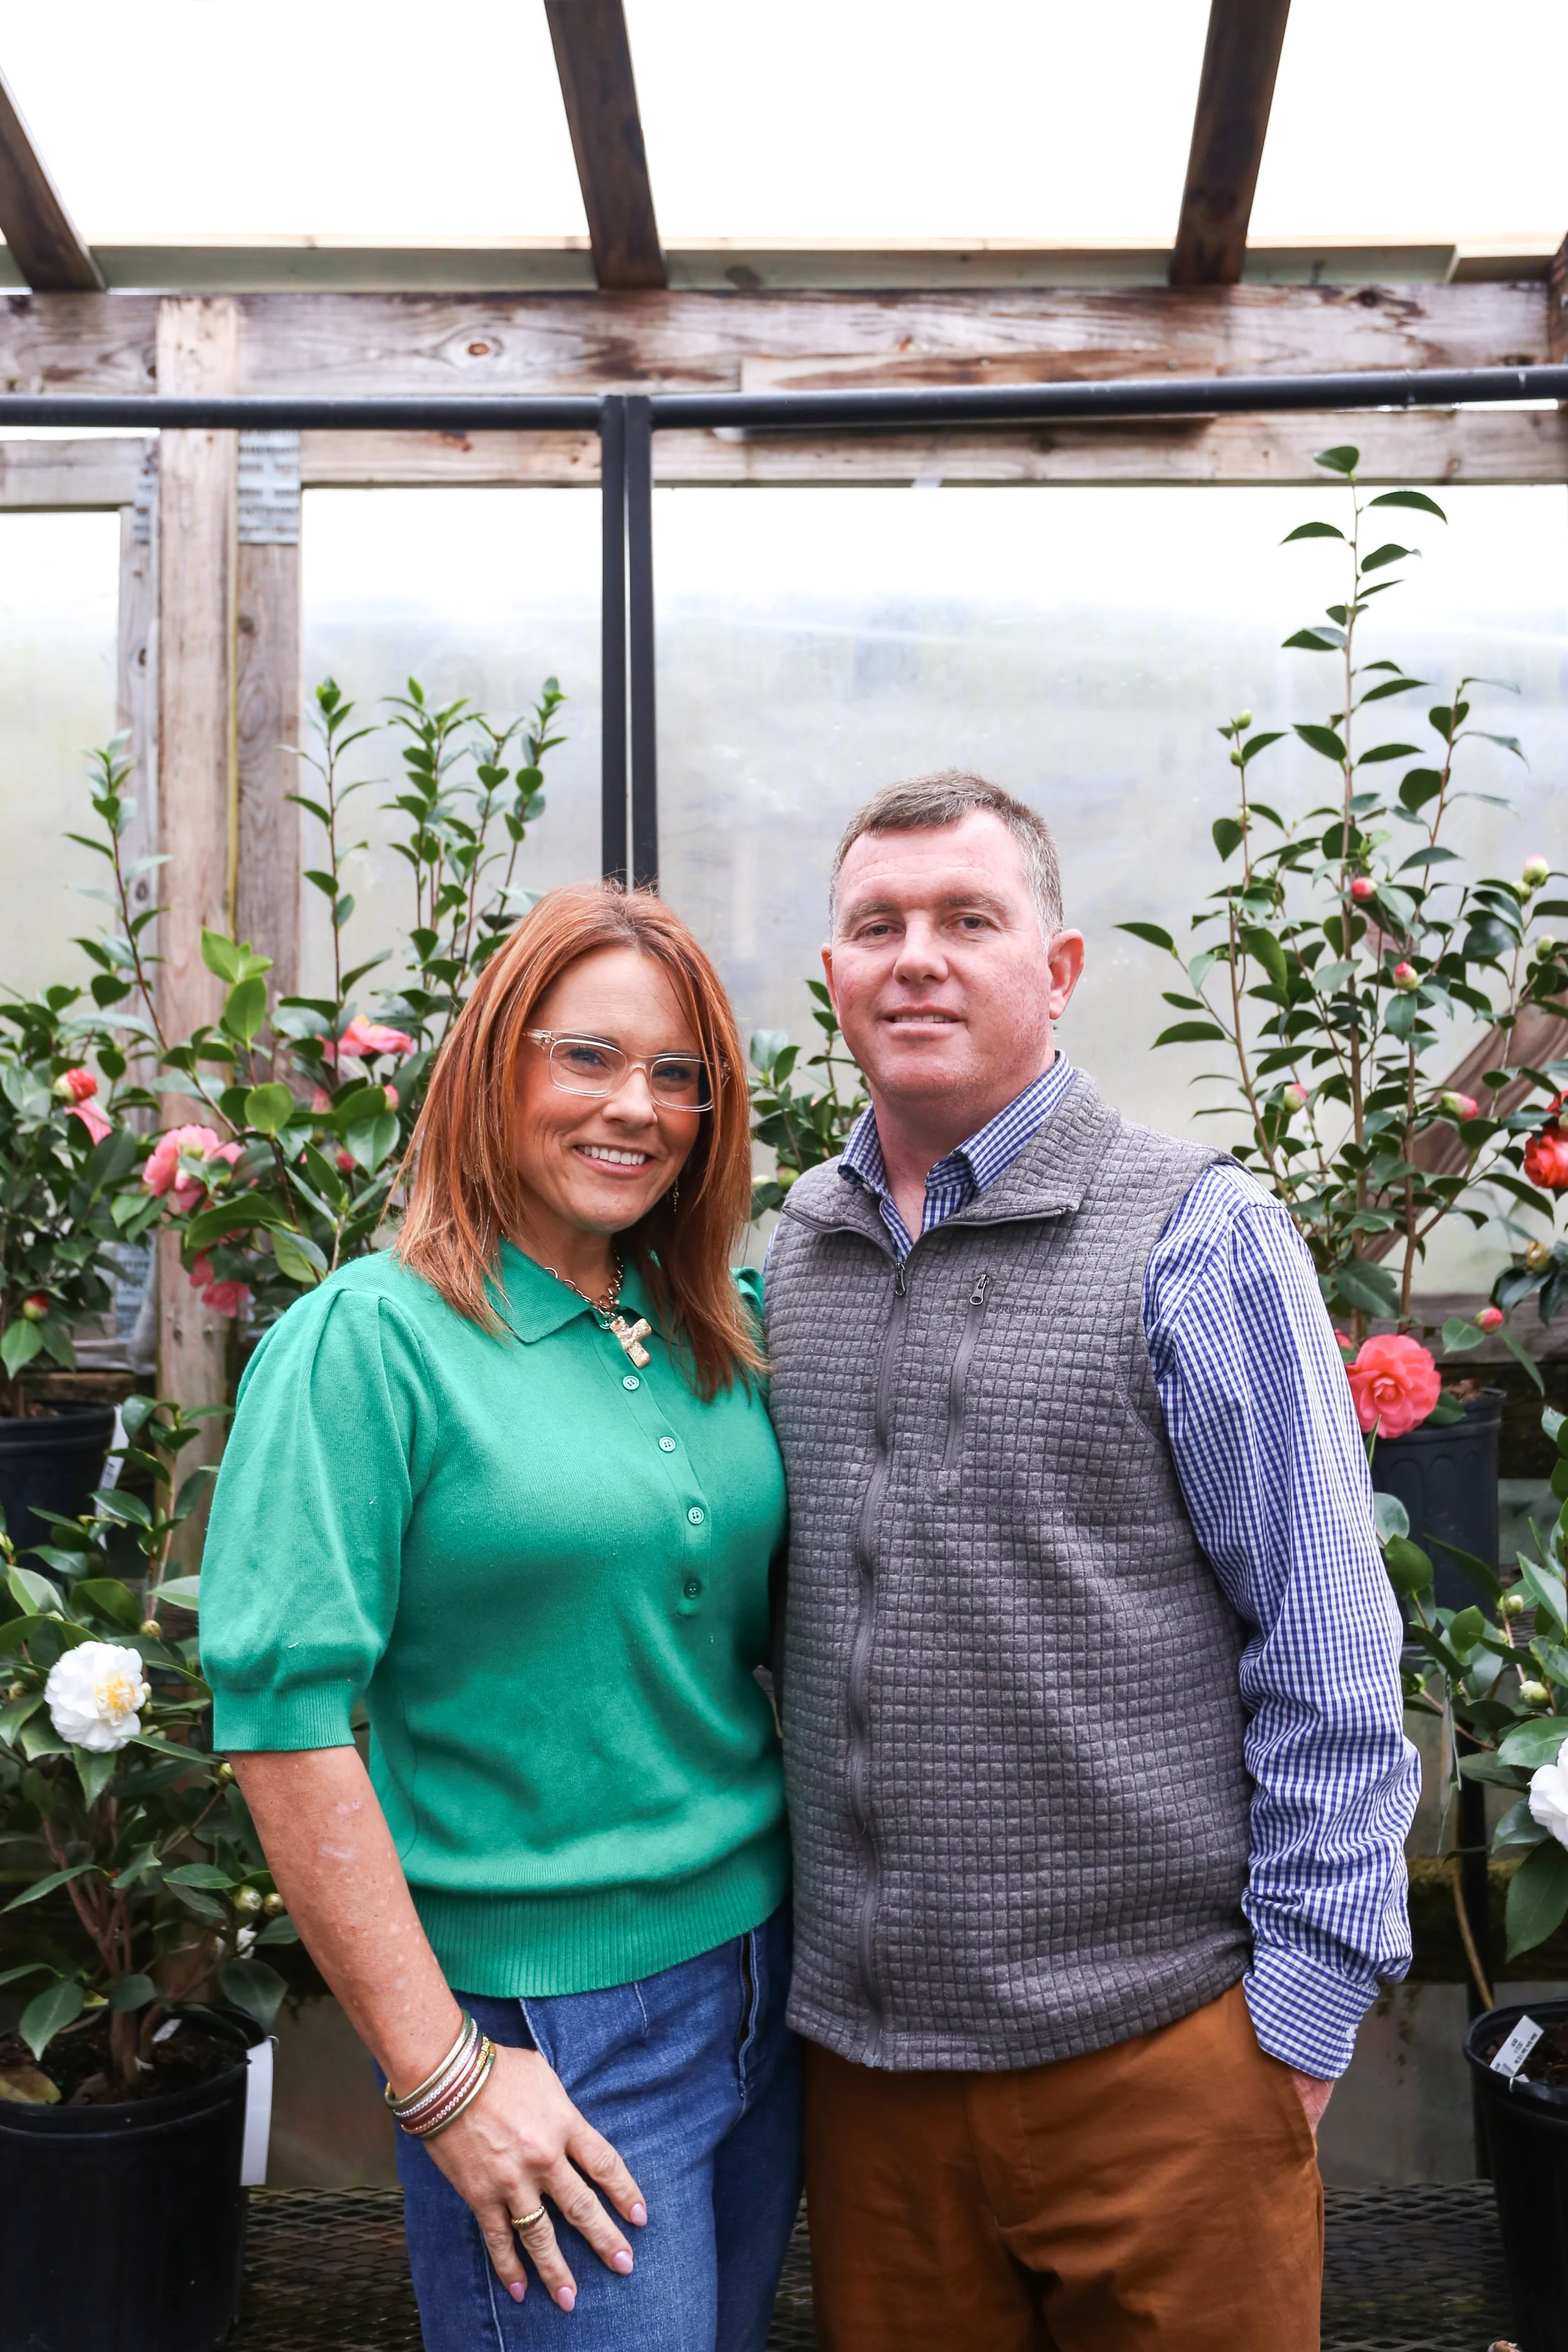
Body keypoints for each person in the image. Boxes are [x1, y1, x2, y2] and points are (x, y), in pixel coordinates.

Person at [763, 771, 1420, 2352]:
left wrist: (1296, 2027)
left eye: (966, 920)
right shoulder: (793, 1246)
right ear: (834, 977)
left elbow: (1326, 1645)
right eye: (876, 926)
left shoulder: (1194, 1237)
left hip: (1159, 2059)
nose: (916, 957)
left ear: (1054, 970)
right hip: (869, 2082)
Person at [199, 883, 800, 2352]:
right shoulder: (370, 1341)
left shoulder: (716, 1322)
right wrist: (444, 2076)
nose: (635, 1108)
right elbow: (282, 1728)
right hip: (548, 2032)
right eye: (585, 1056)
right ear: (492, 1065)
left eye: (675, 1074)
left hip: (763, 1985)